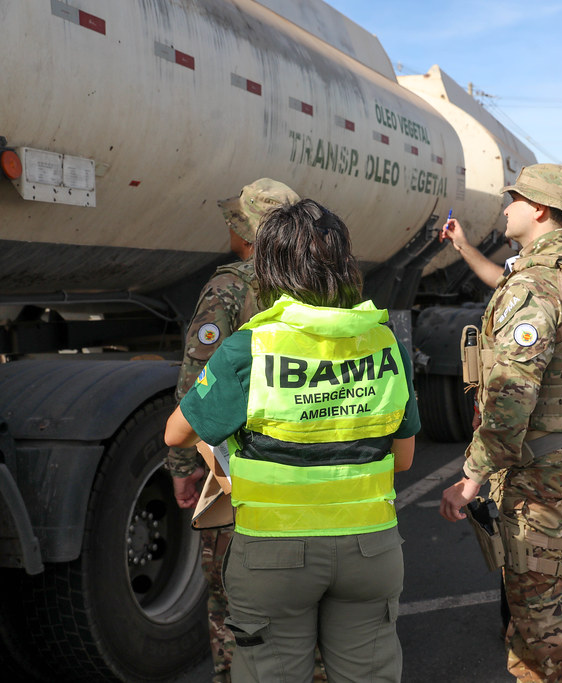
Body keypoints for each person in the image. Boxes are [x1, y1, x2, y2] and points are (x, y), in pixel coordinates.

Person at [165, 199, 420, 682]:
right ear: (344, 264)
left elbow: (176, 433)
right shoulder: (386, 344)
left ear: (269, 268)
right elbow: (402, 460)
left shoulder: (250, 348)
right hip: (370, 550)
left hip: (274, 554)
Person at [439, 163, 562, 682]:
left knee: (543, 618)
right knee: (530, 605)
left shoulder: (536, 285)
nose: (506, 208)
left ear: (538, 210)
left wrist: (472, 477)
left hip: (539, 472)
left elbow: (511, 399)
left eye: (513, 199)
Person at [165, 177, 300, 683]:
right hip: (310, 474)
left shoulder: (231, 287)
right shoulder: (321, 286)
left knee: (233, 608)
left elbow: (196, 384)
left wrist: (182, 465)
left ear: (244, 232)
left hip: (239, 473)